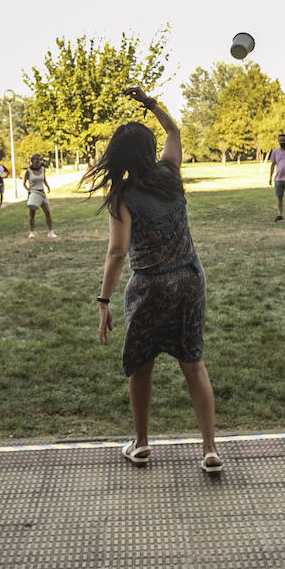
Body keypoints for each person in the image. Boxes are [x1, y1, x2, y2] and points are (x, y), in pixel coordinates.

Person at [84, 87, 222, 474]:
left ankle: (142, 444)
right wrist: (151, 105)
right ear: (149, 152)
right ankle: (210, 449)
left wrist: (103, 301)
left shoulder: (122, 197)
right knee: (193, 362)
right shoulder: (170, 176)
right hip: (191, 280)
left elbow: (116, 253)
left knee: (141, 365)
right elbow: (174, 133)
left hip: (150, 287)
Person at [24, 153, 56, 238]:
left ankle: (50, 231)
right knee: (32, 214)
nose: (38, 161)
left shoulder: (42, 169)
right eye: (36, 160)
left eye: (39, 160)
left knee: (47, 212)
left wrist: (47, 186)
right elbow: (24, 183)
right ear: (32, 161)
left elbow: (44, 179)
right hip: (33, 193)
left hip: (41, 193)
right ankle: (31, 232)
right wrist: (29, 190)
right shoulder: (29, 171)